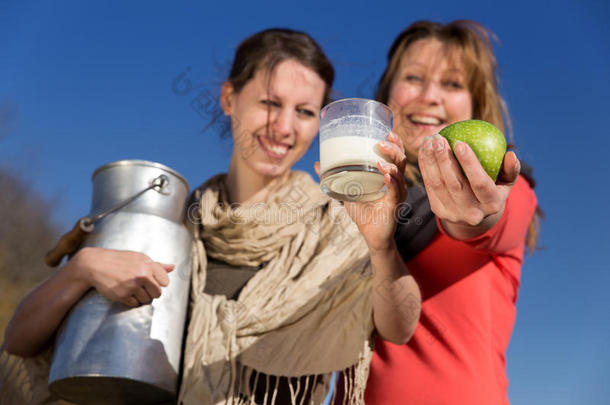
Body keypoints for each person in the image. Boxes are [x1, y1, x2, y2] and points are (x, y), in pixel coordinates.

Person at [2, 28, 421, 405]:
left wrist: (382, 246)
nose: (284, 126)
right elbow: (19, 340)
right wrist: (83, 268)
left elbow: (398, 328)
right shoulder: (174, 220)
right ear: (228, 99)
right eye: (270, 102)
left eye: (305, 112)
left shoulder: (336, 225)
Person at [361, 20, 541, 405]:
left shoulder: (507, 184)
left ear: (476, 106)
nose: (429, 96)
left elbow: (489, 219)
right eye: (413, 77)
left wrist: (472, 212)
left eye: (453, 84)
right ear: (386, 96)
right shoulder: (357, 199)